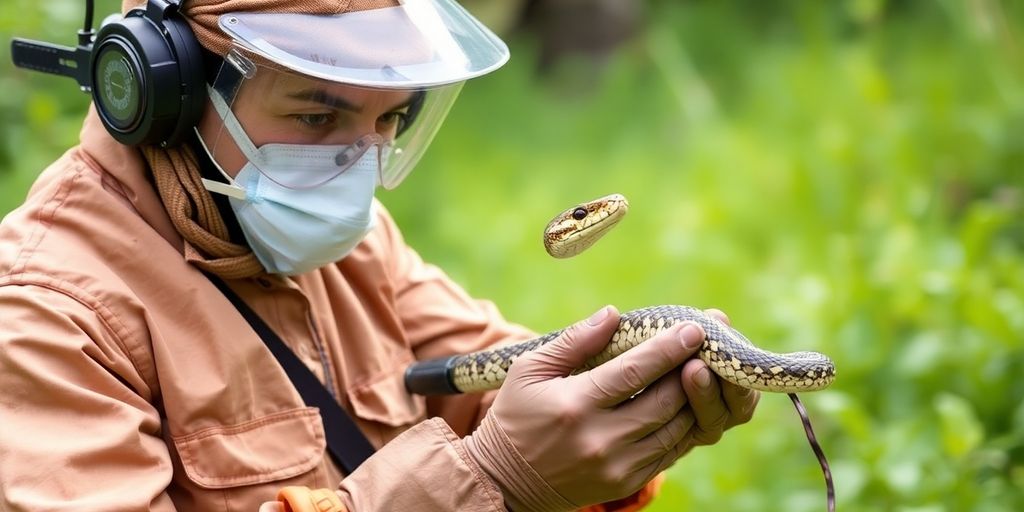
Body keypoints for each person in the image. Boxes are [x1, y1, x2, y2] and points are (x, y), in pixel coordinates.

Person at [0, 0, 760, 510]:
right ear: (161, 91)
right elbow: (498, 457)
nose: (358, 162)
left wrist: (622, 419)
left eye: (389, 116)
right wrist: (489, 476)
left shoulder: (354, 244)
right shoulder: (45, 321)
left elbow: (495, 384)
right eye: (315, 113)